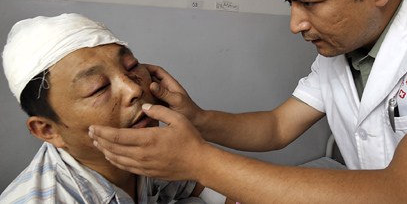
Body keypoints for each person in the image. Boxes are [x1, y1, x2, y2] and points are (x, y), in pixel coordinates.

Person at [89, 0, 407, 203]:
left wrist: (199, 162)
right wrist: (197, 118)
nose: (296, 24)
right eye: (290, 4)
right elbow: (278, 127)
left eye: (309, 2)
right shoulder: (342, 43)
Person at [0, 13, 235, 204]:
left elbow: (203, 186)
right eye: (98, 88)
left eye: (131, 66)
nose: (134, 90)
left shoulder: (155, 150)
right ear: (48, 130)